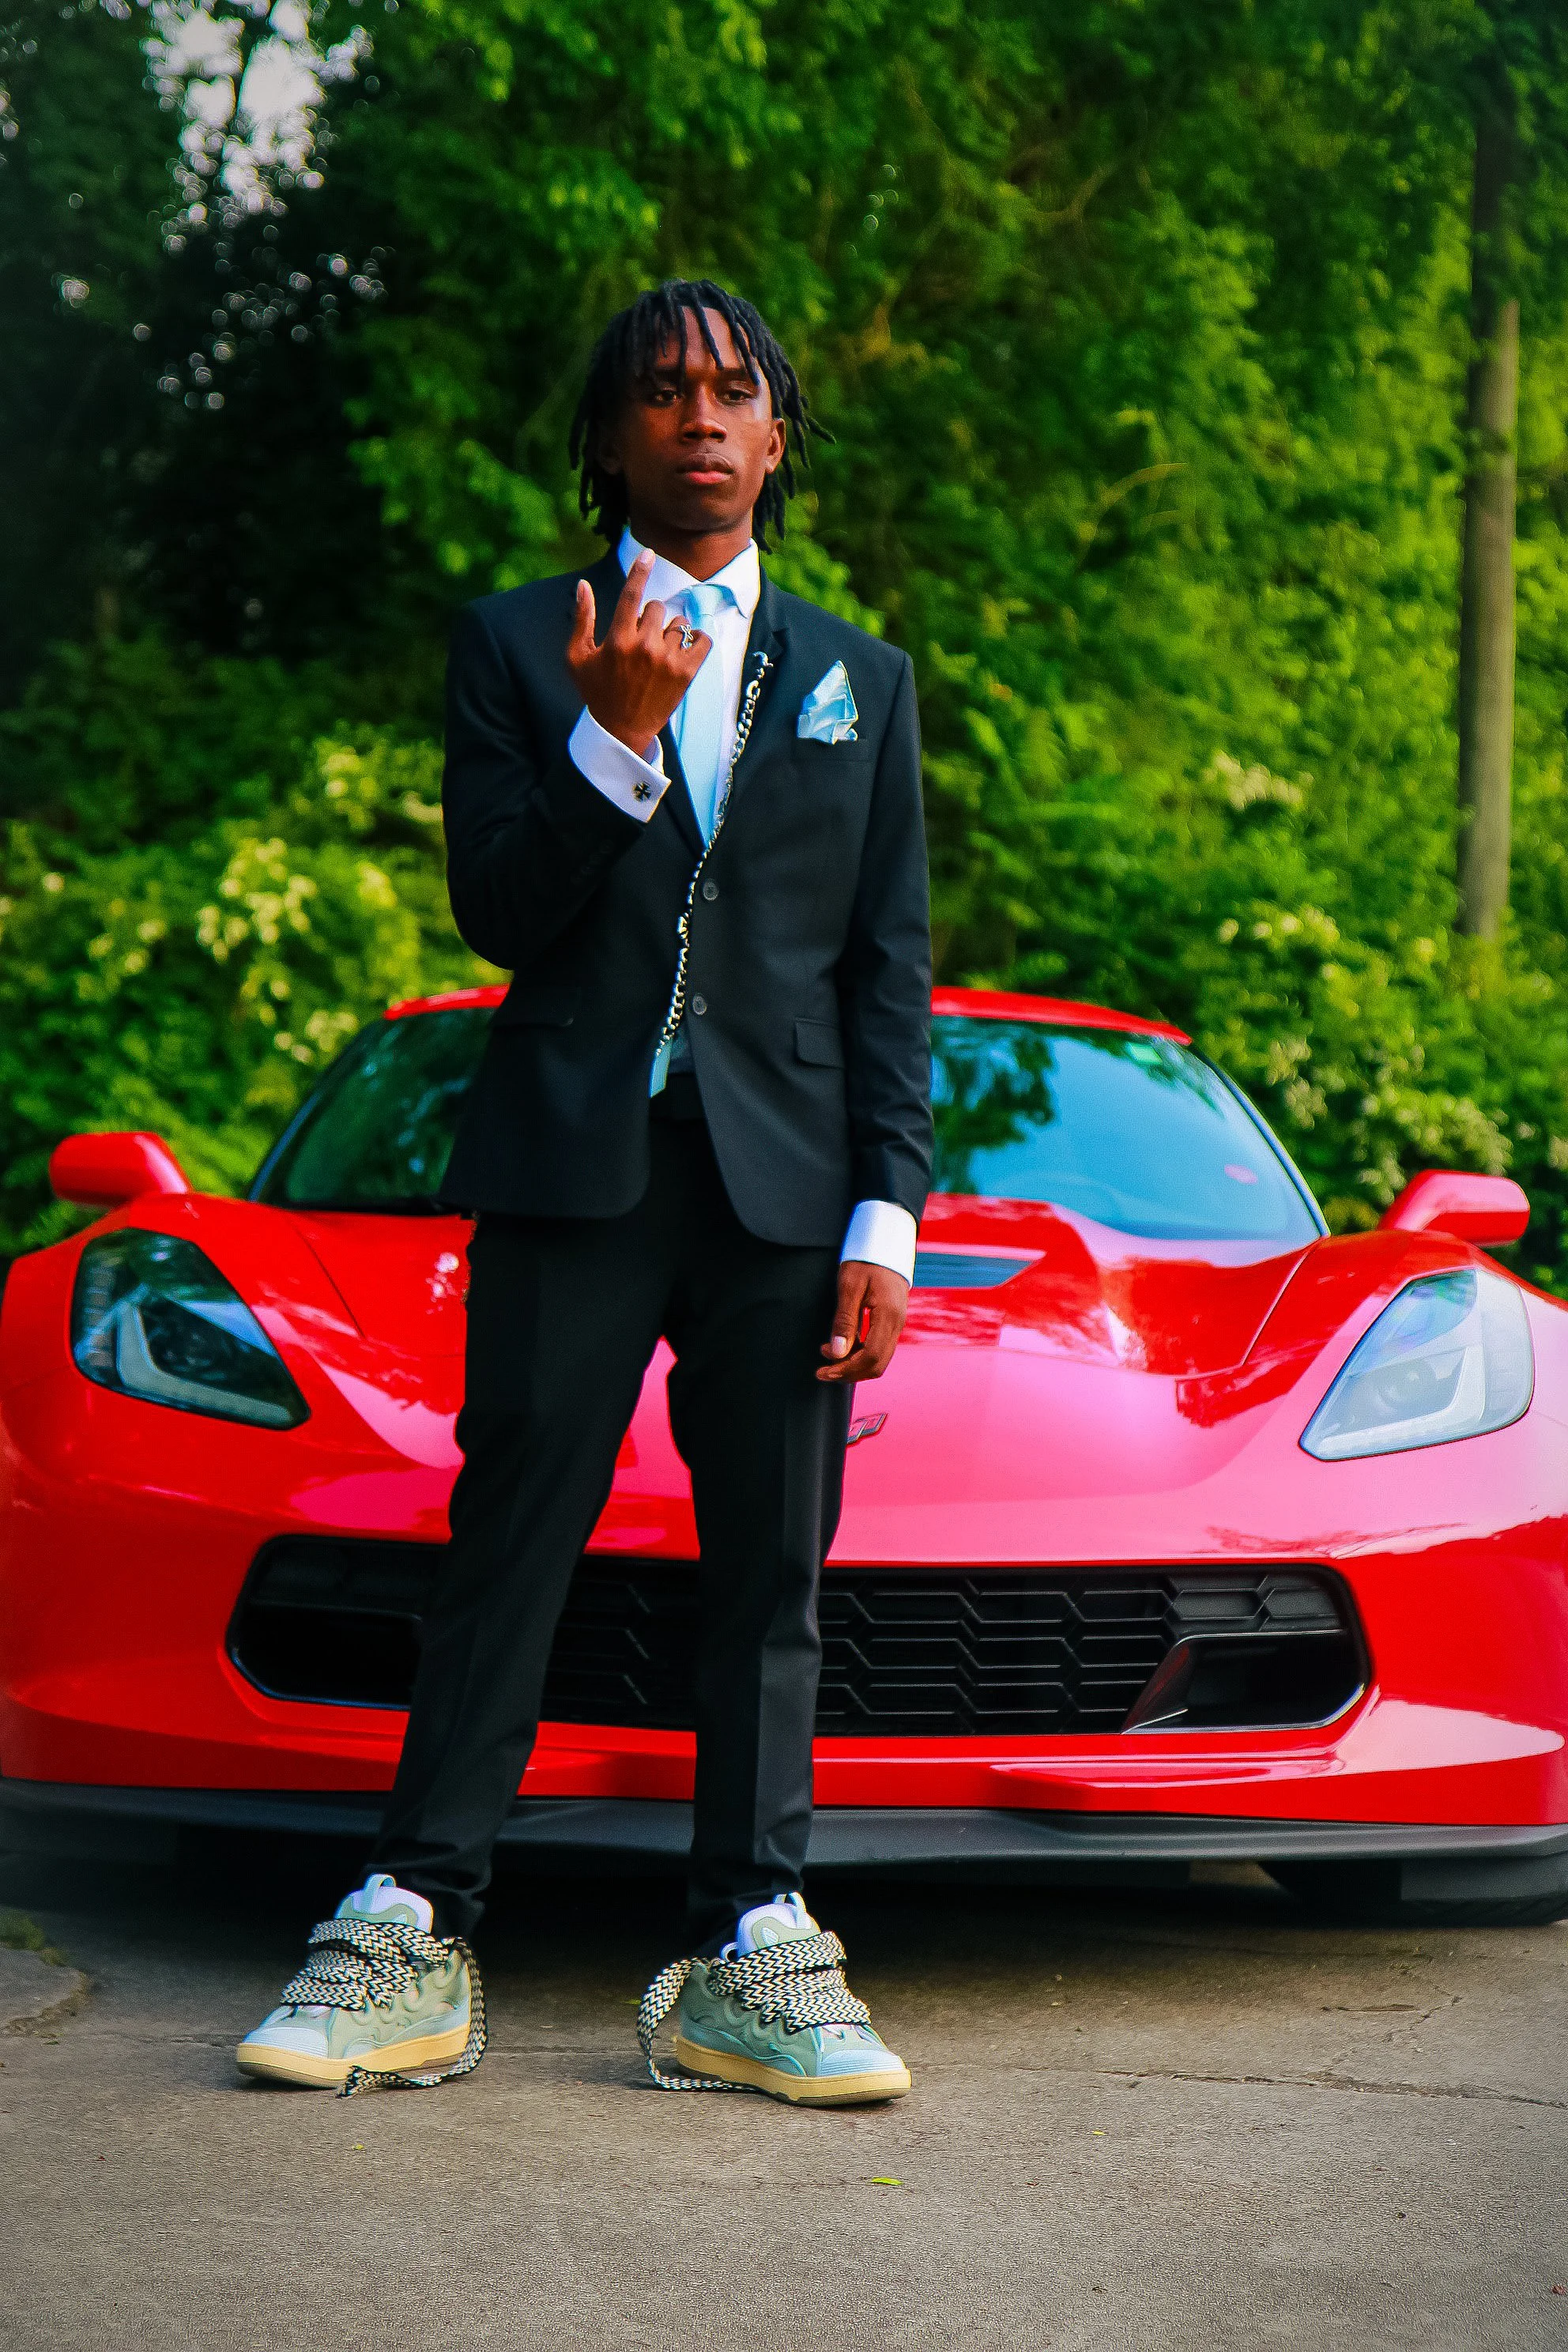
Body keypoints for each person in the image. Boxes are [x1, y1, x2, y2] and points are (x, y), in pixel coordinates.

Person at [236, 279, 933, 2105]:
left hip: (786, 1194)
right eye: (658, 389)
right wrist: (613, 739)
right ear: (606, 438)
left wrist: (888, 1211)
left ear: (778, 436)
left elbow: (886, 972)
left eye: (733, 391)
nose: (698, 416)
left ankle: (751, 1941)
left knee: (766, 1568)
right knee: (512, 1535)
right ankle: (406, 1920)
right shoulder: (512, 644)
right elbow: (499, 914)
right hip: (572, 1169)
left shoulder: (866, 678)